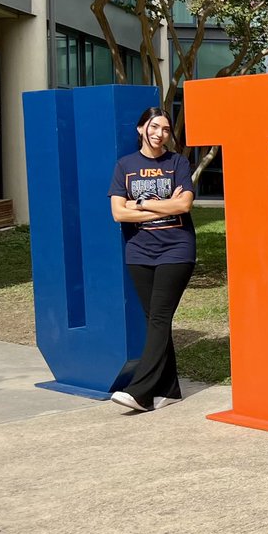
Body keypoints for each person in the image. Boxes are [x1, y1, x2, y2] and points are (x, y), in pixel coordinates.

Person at [108, 107, 196, 412]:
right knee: (154, 320)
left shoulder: (178, 163)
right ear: (140, 128)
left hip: (176, 250)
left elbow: (183, 206)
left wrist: (142, 203)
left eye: (166, 129)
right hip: (139, 251)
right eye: (154, 127)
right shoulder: (125, 166)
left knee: (159, 317)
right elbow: (119, 212)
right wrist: (164, 204)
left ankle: (141, 392)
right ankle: (170, 389)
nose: (160, 134)